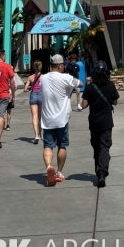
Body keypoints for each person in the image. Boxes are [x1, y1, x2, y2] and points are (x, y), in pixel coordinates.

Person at [40, 53, 81, 186]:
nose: (64, 66)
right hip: (62, 119)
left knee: (48, 146)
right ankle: (59, 172)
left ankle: (48, 167)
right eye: (63, 64)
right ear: (58, 66)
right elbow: (80, 84)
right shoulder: (65, 77)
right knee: (62, 145)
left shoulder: (43, 78)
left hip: (47, 119)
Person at [81, 60, 119, 187]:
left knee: (97, 147)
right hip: (106, 122)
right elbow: (115, 102)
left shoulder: (90, 87)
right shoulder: (110, 85)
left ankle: (99, 169)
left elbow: (84, 105)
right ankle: (102, 172)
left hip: (94, 122)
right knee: (104, 147)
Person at [23, 60, 43, 142]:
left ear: (34, 67)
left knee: (34, 116)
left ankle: (36, 135)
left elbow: (25, 90)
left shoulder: (30, 77)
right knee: (40, 117)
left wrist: (28, 89)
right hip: (41, 95)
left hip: (33, 95)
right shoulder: (43, 77)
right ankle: (40, 134)